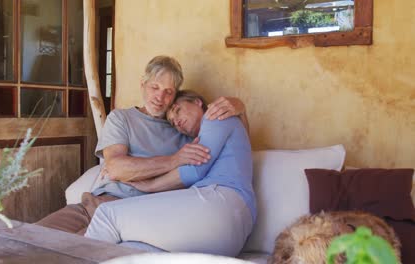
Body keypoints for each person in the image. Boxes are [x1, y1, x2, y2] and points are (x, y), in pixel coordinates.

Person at [36, 56, 248, 235]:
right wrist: (174, 160)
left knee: (75, 253)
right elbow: (117, 168)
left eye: (169, 91)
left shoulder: (182, 128)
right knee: (30, 240)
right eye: (155, 87)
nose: (160, 97)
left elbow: (238, 146)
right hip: (97, 205)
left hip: (142, 219)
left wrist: (240, 108)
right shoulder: (122, 118)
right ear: (143, 84)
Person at [84, 90, 256, 257]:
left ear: (197, 102)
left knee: (106, 215)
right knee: (129, 250)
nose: (177, 122)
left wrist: (148, 185)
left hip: (221, 203)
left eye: (177, 110)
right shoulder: (218, 131)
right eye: (172, 123)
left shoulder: (215, 117)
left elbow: (195, 169)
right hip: (228, 233)